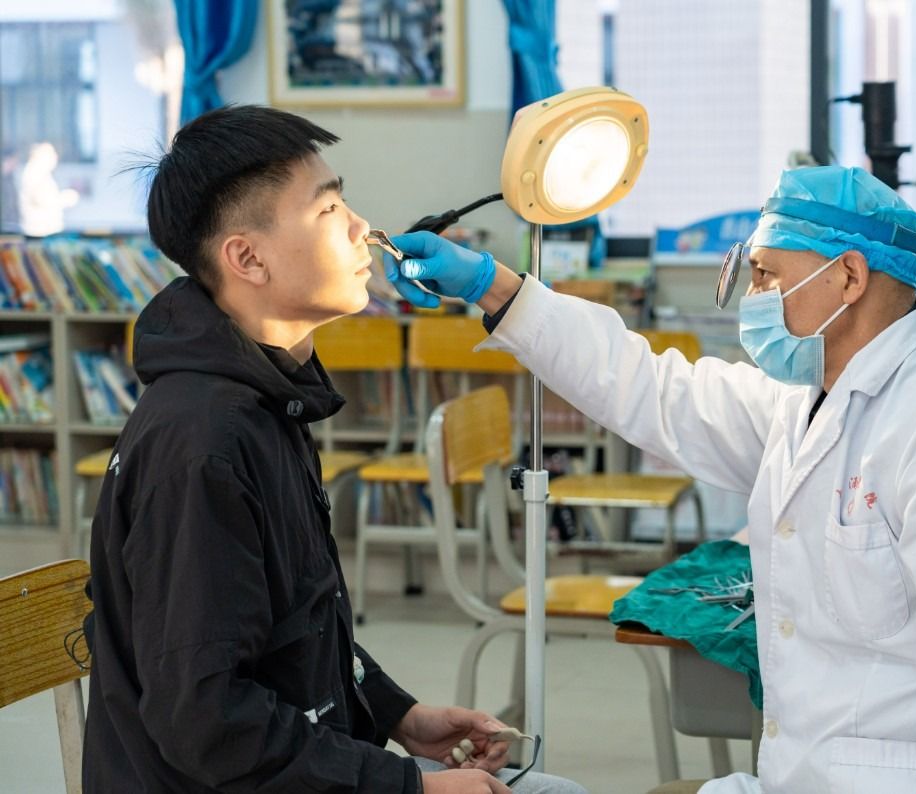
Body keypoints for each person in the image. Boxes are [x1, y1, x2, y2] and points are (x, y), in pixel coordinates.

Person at [386, 165, 916, 793]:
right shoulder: (807, 399)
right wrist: (493, 287)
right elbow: (650, 388)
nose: (754, 297)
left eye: (768, 275)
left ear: (849, 277)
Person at [83, 105, 585, 794]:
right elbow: (206, 721)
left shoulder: (267, 395)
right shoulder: (202, 446)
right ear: (247, 257)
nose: (362, 228)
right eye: (328, 210)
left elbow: (301, 624)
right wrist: (411, 787)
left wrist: (400, 714)